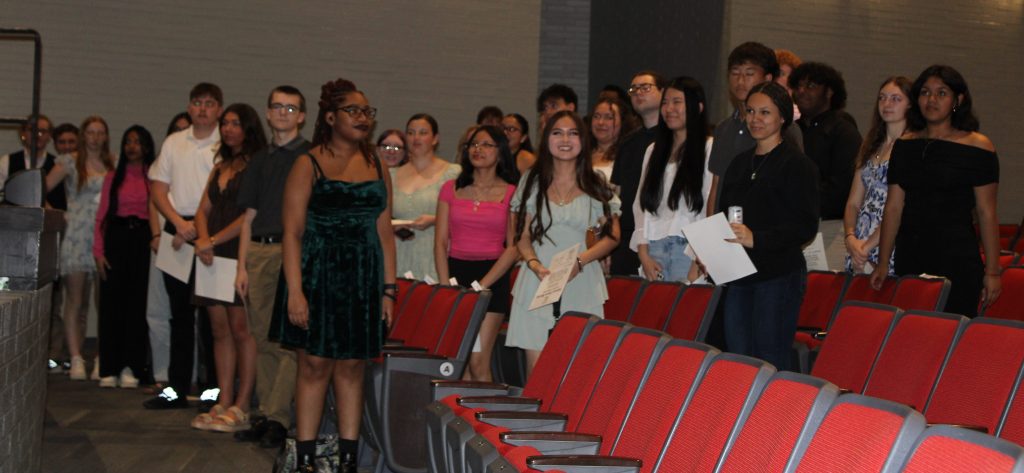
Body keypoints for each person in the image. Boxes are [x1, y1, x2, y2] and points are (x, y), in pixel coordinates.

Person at [269, 78, 395, 473]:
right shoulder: (307, 163)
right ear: (329, 117)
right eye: (353, 111)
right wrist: (295, 292)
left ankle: (347, 460)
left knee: (353, 367)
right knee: (314, 366)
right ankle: (306, 459)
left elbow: (385, 231)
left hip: (362, 278)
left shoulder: (377, 163)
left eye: (367, 111)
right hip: (316, 275)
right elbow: (292, 232)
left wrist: (388, 291)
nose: (362, 117)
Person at [871, 65, 1000, 317]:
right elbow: (894, 207)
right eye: (925, 92)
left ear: (957, 100)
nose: (931, 100)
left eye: (941, 93)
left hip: (957, 256)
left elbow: (987, 213)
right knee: (911, 328)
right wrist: (884, 262)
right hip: (911, 253)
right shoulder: (905, 145)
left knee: (951, 329)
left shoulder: (979, 147)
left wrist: (993, 272)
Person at [509, 111, 621, 375]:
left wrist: (579, 262)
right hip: (537, 281)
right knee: (538, 373)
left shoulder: (596, 182)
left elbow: (612, 236)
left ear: (583, 140)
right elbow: (522, 237)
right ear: (546, 139)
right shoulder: (532, 181)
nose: (565, 140)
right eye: (557, 133)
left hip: (581, 279)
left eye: (573, 133)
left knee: (578, 372)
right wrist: (534, 264)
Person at [718, 82, 819, 370]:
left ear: (782, 117)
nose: (755, 119)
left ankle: (774, 403)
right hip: (739, 273)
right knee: (738, 357)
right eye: (750, 111)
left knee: (769, 357)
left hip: (778, 274)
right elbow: (723, 214)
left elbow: (805, 226)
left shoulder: (797, 165)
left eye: (765, 112)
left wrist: (757, 239)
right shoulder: (739, 163)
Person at [234, 86, 310, 448]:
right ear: (267, 113)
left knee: (287, 340)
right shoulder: (259, 159)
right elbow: (247, 217)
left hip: (291, 250)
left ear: (302, 116)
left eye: (290, 108)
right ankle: (265, 413)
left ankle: (279, 418)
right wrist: (241, 267)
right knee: (261, 338)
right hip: (258, 251)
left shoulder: (309, 157)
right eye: (277, 107)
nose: (282, 112)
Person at [189, 103, 266, 432]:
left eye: (235, 123)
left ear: (248, 128)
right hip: (210, 254)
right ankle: (223, 398)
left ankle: (243, 403)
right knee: (219, 331)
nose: (229, 129)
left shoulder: (257, 165)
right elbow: (201, 210)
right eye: (226, 124)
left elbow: (250, 215)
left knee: (241, 329)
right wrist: (203, 240)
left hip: (237, 250)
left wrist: (213, 240)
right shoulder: (220, 166)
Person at [146, 82, 223, 409]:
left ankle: (212, 389)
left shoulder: (224, 143)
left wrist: (200, 229)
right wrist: (177, 223)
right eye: (197, 103)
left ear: (219, 109)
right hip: (176, 229)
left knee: (212, 318)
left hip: (211, 232)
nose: (203, 109)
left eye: (209, 103)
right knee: (178, 315)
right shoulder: (174, 142)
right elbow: (157, 189)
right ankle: (176, 387)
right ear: (189, 107)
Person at [435, 125, 520, 381]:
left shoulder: (511, 192)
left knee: (478, 359)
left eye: (486, 145)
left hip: (492, 278)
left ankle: (489, 407)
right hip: (456, 275)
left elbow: (514, 247)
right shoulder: (450, 188)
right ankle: (462, 407)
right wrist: (444, 285)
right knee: (459, 360)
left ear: (500, 151)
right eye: (473, 144)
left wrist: (482, 285)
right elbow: (440, 242)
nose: (477, 149)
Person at [46, 116, 115, 382]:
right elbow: (41, 188)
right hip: (77, 234)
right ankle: (75, 356)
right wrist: (58, 214)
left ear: (106, 136)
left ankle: (101, 357)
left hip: (103, 235)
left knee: (103, 300)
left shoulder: (113, 162)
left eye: (100, 132)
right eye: (91, 132)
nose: (95, 138)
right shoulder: (70, 161)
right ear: (83, 135)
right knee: (74, 299)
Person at [707, 42, 804, 217]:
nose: (740, 80)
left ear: (767, 78)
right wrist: (711, 225)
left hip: (764, 225)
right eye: (735, 73)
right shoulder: (723, 128)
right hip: (724, 224)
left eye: (749, 74)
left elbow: (795, 186)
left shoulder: (784, 127)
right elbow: (716, 185)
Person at [632, 77, 713, 282]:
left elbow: (709, 205)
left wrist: (698, 258)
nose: (669, 109)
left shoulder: (709, 147)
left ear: (698, 107)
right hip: (653, 249)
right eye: (665, 103)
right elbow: (640, 205)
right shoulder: (653, 150)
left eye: (677, 102)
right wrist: (643, 253)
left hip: (688, 249)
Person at [93, 125, 156, 389]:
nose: (132, 147)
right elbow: (101, 217)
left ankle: (132, 366)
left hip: (142, 240)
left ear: (147, 147)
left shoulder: (153, 176)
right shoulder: (113, 177)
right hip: (116, 240)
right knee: (111, 305)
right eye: (128, 141)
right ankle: (109, 367)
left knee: (137, 305)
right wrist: (98, 252)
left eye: (137, 142)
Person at [790, 61, 863, 270]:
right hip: (794, 226)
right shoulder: (791, 131)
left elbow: (843, 186)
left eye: (811, 86)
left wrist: (801, 202)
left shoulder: (844, 131)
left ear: (829, 92)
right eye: (798, 86)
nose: (802, 91)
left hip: (830, 226)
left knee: (824, 288)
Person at [843, 77, 912, 274]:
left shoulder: (911, 147)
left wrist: (866, 247)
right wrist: (850, 238)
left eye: (895, 99)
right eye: (882, 98)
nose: (887, 104)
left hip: (889, 240)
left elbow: (901, 207)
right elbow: (853, 203)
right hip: (860, 241)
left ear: (911, 105)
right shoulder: (871, 144)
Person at [608, 70, 665, 276]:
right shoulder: (627, 143)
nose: (638, 92)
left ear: (663, 93)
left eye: (645, 87)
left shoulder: (672, 140)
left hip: (659, 235)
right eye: (634, 89)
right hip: (626, 235)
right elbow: (616, 193)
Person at [391, 113, 460, 281]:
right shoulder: (391, 174)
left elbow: (465, 215)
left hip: (435, 251)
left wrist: (436, 220)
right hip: (398, 252)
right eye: (411, 132)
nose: (416, 138)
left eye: (423, 133)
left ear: (435, 138)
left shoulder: (453, 173)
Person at [1, 114, 66, 210]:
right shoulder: (6, 161)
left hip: (49, 218)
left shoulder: (59, 165)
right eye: (32, 130)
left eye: (42, 131)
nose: (37, 135)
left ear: (49, 136)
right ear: (23, 134)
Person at [588, 96, 633, 184]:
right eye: (596, 116)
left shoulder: (628, 156)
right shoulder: (582, 151)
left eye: (609, 117)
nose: (600, 122)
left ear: (622, 122)